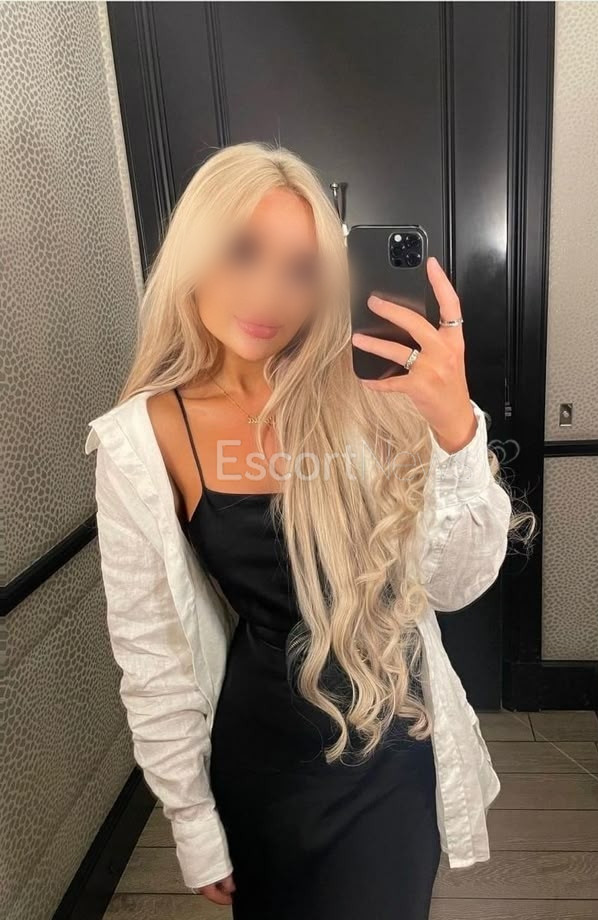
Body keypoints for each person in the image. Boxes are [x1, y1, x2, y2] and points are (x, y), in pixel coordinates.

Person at [86, 141, 522, 920]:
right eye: (242, 251)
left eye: (301, 268)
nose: (269, 292)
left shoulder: (378, 399)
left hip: (394, 749)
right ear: (193, 253)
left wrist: (457, 429)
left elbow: (457, 585)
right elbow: (150, 652)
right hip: (263, 762)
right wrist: (192, 821)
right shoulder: (142, 440)